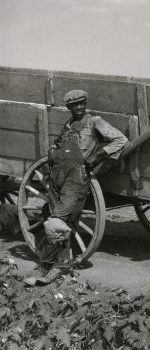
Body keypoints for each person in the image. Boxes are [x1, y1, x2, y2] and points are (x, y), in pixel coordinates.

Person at [25, 90, 128, 285]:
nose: (79, 107)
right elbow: (58, 145)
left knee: (57, 223)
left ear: (85, 103)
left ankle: (55, 267)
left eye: (81, 103)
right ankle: (49, 264)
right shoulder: (68, 125)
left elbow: (120, 140)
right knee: (58, 218)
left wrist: (98, 156)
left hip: (78, 179)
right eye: (74, 105)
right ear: (69, 107)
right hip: (59, 178)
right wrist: (53, 151)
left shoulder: (95, 122)